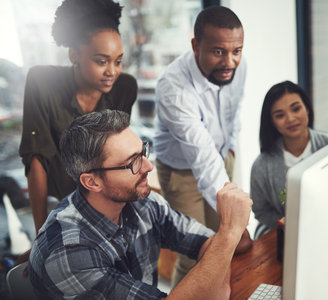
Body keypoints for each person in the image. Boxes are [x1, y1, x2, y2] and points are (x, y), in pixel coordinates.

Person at [28, 109, 253, 299]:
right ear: (92, 181)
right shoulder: (69, 250)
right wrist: (228, 234)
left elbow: (206, 244)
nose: (148, 166)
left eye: (142, 152)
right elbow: (219, 251)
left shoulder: (142, 203)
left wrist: (223, 249)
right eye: (132, 162)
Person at [18, 0, 137, 238]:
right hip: (57, 201)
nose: (112, 71)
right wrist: (41, 233)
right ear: (74, 56)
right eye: (101, 61)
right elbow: (36, 160)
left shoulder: (125, 87)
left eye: (118, 61)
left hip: (104, 201)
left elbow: (117, 158)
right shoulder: (42, 82)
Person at [153, 6, 251, 285]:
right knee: (196, 251)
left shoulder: (239, 66)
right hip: (181, 173)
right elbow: (201, 154)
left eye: (236, 51)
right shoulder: (173, 88)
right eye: (218, 51)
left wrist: (230, 150)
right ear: (196, 46)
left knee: (227, 243)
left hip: (220, 157)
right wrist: (237, 221)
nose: (230, 62)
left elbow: (234, 112)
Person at [250, 81, 328, 235]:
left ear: (307, 108)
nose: (290, 118)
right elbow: (260, 211)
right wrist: (286, 222)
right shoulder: (261, 165)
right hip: (283, 234)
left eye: (296, 109)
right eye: (280, 115)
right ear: (272, 122)